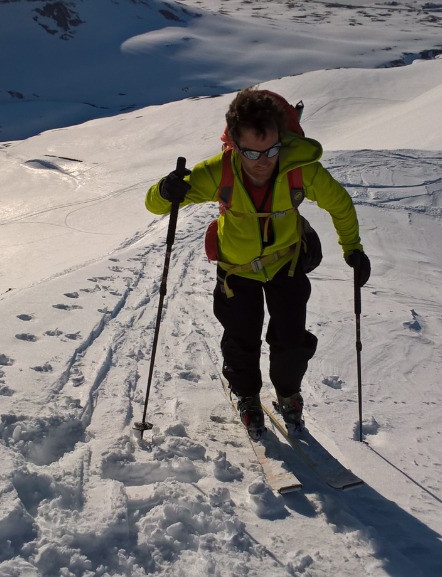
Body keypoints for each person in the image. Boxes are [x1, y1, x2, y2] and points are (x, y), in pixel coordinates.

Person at [144, 88, 371, 439]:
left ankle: (287, 393)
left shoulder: (300, 169)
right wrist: (166, 190)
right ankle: (247, 395)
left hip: (287, 264)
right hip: (236, 271)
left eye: (271, 149)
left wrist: (352, 248)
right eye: (251, 152)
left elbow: (340, 204)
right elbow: (156, 206)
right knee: (241, 339)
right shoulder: (219, 172)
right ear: (234, 143)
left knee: (291, 340)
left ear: (281, 137)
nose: (263, 161)